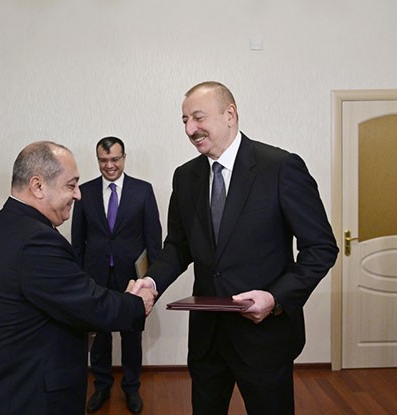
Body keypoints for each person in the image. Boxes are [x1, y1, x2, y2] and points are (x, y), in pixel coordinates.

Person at [133, 81, 339, 414]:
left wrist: (275, 298)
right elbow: (178, 247)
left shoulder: (280, 167)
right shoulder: (185, 177)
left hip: (264, 336)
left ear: (230, 115)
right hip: (208, 339)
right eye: (184, 120)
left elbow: (321, 248)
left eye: (198, 117)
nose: (189, 129)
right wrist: (151, 281)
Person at [0, 141, 156, 415]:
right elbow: (89, 304)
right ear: (38, 186)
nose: (78, 194)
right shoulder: (36, 240)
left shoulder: (9, 224)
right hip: (26, 396)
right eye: (70, 185)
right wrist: (137, 303)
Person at [71, 136, 162, 413]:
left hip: (132, 278)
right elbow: (78, 240)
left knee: (131, 336)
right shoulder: (84, 192)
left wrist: (153, 282)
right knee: (99, 336)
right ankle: (101, 386)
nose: (109, 165)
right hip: (95, 276)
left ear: (124, 158)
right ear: (97, 160)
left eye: (114, 159)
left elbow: (153, 239)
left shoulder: (142, 191)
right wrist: (78, 278)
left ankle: (131, 388)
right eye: (103, 160)